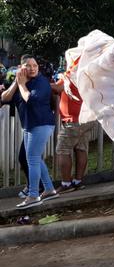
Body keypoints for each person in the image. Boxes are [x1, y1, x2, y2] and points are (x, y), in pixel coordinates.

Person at [1, 55, 58, 208]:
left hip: (41, 124)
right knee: (35, 159)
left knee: (31, 159)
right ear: (21, 68)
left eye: (35, 65)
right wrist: (15, 83)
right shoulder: (22, 82)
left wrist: (21, 85)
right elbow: (4, 98)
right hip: (30, 125)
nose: (32, 68)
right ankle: (49, 189)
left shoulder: (41, 82)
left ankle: (33, 195)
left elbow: (30, 99)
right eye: (28, 66)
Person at [52, 75, 96, 193]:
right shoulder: (86, 73)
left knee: (62, 150)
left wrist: (43, 83)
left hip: (73, 121)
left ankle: (66, 184)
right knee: (81, 148)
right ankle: (78, 181)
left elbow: (57, 88)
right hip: (86, 118)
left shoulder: (71, 74)